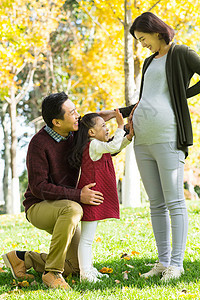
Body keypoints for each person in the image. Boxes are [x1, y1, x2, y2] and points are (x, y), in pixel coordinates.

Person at [100, 12, 200, 281]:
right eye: (138, 40)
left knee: (175, 202)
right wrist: (114, 112)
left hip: (168, 136)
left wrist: (182, 94)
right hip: (142, 139)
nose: (142, 44)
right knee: (156, 204)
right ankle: (163, 261)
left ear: (156, 32)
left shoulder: (181, 53)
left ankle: (176, 265)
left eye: (143, 38)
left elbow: (175, 91)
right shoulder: (147, 62)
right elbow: (145, 100)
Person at [2, 92, 104, 290]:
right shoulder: (39, 144)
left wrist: (129, 115)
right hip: (39, 207)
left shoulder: (76, 134)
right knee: (73, 209)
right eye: (72, 113)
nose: (78, 116)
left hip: (65, 205)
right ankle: (52, 273)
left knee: (76, 265)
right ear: (56, 122)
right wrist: (79, 195)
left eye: (76, 110)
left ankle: (23, 259)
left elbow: (98, 118)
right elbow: (38, 188)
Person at [68, 109, 134, 283]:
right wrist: (121, 126)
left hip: (93, 197)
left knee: (88, 238)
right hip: (90, 198)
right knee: (87, 239)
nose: (107, 129)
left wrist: (127, 138)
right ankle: (85, 274)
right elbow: (112, 146)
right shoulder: (93, 144)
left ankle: (88, 269)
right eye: (103, 126)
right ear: (91, 132)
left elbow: (113, 148)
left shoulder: (95, 145)